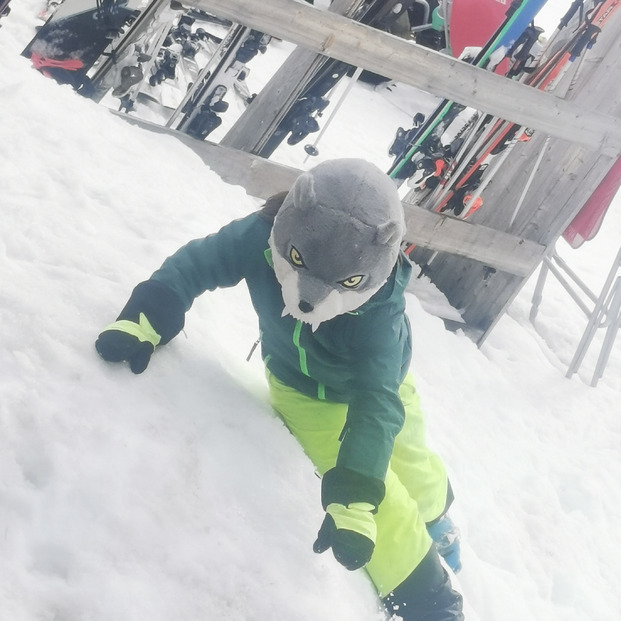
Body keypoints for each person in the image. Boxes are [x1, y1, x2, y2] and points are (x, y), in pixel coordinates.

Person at [95, 158, 464, 620]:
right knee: (375, 498)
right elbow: (198, 264)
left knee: (409, 455)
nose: (310, 296)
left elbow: (377, 404)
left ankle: (437, 517)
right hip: (303, 389)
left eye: (346, 284)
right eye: (300, 263)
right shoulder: (262, 238)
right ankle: (428, 598)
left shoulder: (379, 309)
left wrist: (356, 487)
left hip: (383, 384)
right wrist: (149, 315)